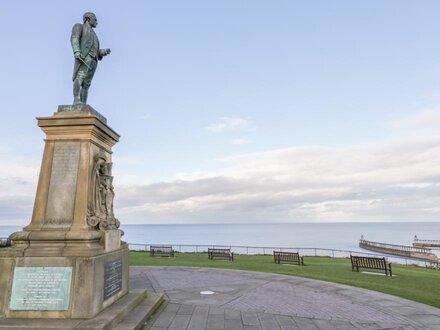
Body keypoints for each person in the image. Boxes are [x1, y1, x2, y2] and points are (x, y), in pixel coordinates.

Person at [71, 12, 111, 104]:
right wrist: (77, 51)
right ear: (88, 19)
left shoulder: (95, 36)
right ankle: (76, 99)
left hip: (94, 60)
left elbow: (96, 50)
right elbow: (74, 38)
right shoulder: (79, 26)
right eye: (95, 19)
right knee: (80, 77)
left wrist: (104, 51)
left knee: (87, 83)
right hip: (84, 57)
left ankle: (83, 103)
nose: (97, 22)